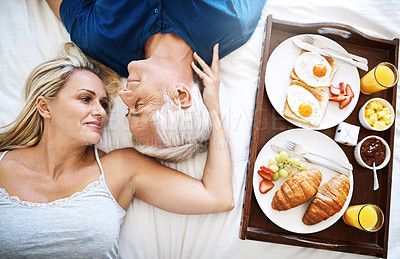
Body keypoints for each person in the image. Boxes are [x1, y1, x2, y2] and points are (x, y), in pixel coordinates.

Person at [0, 42, 233, 258]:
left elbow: (218, 197)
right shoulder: (3, 166)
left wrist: (213, 109)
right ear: (44, 106)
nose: (101, 113)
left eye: (103, 104)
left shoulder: (120, 169)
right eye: (85, 99)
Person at [45, 0, 267, 162]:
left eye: (127, 110)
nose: (123, 95)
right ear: (181, 95)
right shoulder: (231, 21)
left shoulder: (98, 42)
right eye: (138, 106)